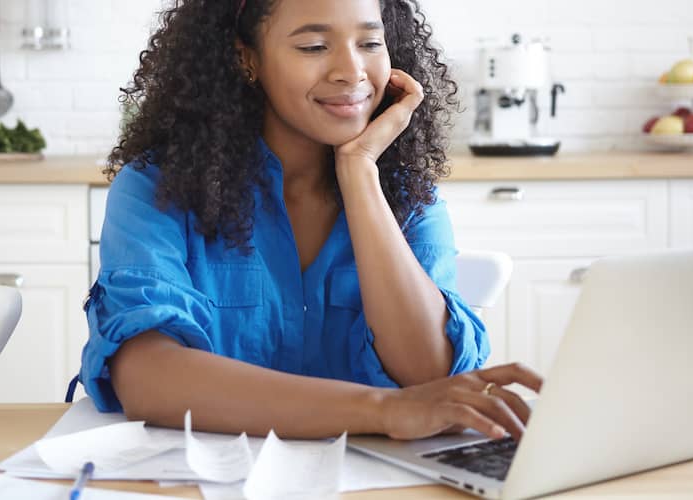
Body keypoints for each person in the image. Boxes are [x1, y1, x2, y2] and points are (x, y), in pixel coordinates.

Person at [81, 0, 542, 441]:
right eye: (314, 47)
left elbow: (431, 374)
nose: (352, 72)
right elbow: (147, 377)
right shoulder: (156, 188)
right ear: (248, 59)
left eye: (370, 43)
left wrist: (360, 171)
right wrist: (382, 410)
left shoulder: (409, 196)